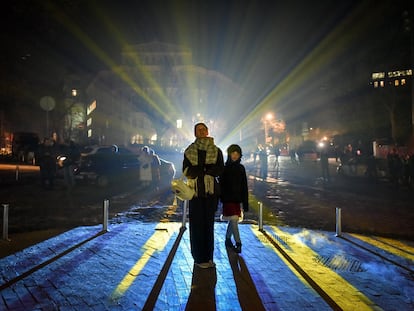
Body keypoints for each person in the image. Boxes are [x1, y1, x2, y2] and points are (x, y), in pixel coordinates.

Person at [183, 122, 224, 269]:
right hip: (195, 193)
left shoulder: (216, 150)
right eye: (198, 130)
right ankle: (199, 258)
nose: (201, 131)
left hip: (211, 192)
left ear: (207, 131)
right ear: (195, 133)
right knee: (196, 225)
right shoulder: (189, 151)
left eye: (203, 129)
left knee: (209, 225)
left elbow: (219, 169)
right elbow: (187, 171)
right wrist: (206, 169)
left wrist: (201, 169)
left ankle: (209, 256)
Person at [220, 144, 249, 254]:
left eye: (237, 154)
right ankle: (238, 243)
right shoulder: (224, 168)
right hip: (228, 200)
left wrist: (245, 203)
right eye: (233, 153)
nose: (235, 156)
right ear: (229, 154)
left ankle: (228, 239)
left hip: (237, 200)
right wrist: (221, 198)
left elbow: (244, 186)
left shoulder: (241, 168)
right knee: (234, 220)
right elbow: (221, 185)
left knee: (233, 220)